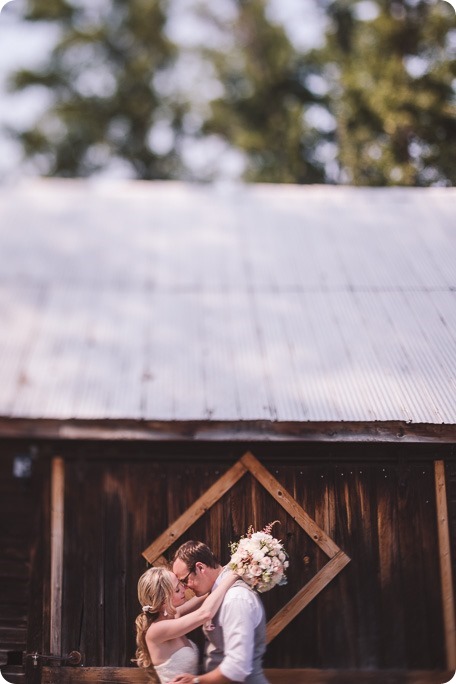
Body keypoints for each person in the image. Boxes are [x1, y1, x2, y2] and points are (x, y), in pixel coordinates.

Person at [171, 541, 270, 684]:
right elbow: (178, 612)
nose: (185, 588)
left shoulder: (236, 598)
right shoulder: (215, 593)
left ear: (200, 568)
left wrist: (196, 681)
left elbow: (237, 668)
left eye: (185, 581)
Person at [135, 565, 239, 684]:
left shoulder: (174, 615)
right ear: (164, 600)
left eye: (180, 584)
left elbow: (209, 593)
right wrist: (235, 575)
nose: (184, 588)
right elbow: (205, 613)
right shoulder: (156, 630)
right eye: (177, 590)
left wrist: (232, 566)